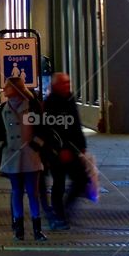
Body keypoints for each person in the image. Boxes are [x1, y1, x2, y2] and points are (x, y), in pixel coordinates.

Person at [0, 76, 46, 242]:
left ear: (15, 89)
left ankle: (37, 229)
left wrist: (36, 145)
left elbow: (42, 128)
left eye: (7, 87)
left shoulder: (32, 106)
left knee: (32, 192)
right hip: (12, 155)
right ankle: (18, 229)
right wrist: (2, 146)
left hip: (30, 155)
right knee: (16, 192)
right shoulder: (3, 108)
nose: (4, 89)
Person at [43, 73, 89, 229]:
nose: (67, 86)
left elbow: (76, 124)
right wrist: (60, 149)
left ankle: (65, 208)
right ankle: (59, 215)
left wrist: (81, 145)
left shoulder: (70, 99)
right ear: (55, 86)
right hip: (57, 152)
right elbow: (50, 130)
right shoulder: (50, 103)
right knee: (59, 184)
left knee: (81, 180)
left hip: (73, 149)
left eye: (68, 82)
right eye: (63, 83)